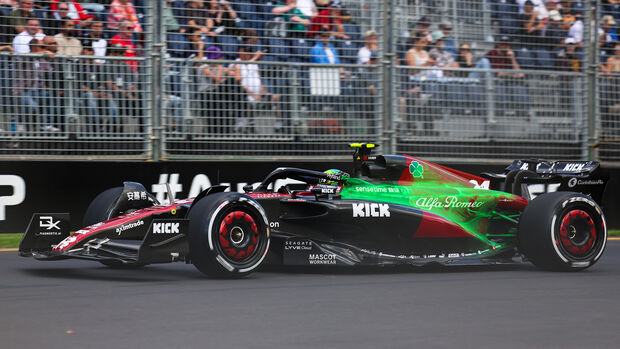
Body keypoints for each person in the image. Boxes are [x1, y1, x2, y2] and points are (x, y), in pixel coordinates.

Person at [230, 46, 280, 133]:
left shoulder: (253, 64)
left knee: (276, 98)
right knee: (248, 101)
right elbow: (239, 83)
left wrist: (263, 91)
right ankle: (248, 123)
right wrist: (252, 94)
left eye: (247, 52)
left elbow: (258, 78)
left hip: (258, 92)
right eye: (243, 52)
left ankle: (279, 123)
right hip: (245, 93)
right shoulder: (236, 64)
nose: (245, 54)